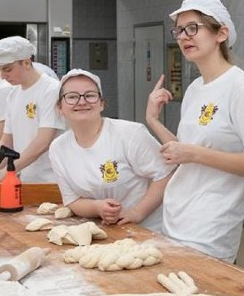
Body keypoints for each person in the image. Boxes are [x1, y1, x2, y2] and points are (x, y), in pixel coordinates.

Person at [146, 0, 244, 262]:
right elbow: (184, 153)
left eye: (193, 28)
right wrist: (153, 121)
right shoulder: (195, 89)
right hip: (176, 215)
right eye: (179, 30)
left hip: (212, 226)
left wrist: (192, 154)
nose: (183, 37)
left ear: (221, 33)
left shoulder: (243, 88)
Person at [50, 69, 174, 230]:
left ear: (102, 103)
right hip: (106, 231)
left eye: (90, 95)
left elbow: (165, 174)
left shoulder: (129, 134)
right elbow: (72, 200)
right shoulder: (58, 148)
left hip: (150, 232)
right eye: (72, 97)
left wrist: (137, 212)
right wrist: (97, 208)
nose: (81, 102)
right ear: (60, 107)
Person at [0, 36, 63, 183]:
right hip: (25, 178)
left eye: (8, 69)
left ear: (26, 62)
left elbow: (42, 142)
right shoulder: (13, 94)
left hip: (51, 181)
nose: (3, 76)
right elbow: (6, 141)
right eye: (0, 70)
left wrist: (1, 175)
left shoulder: (51, 90)